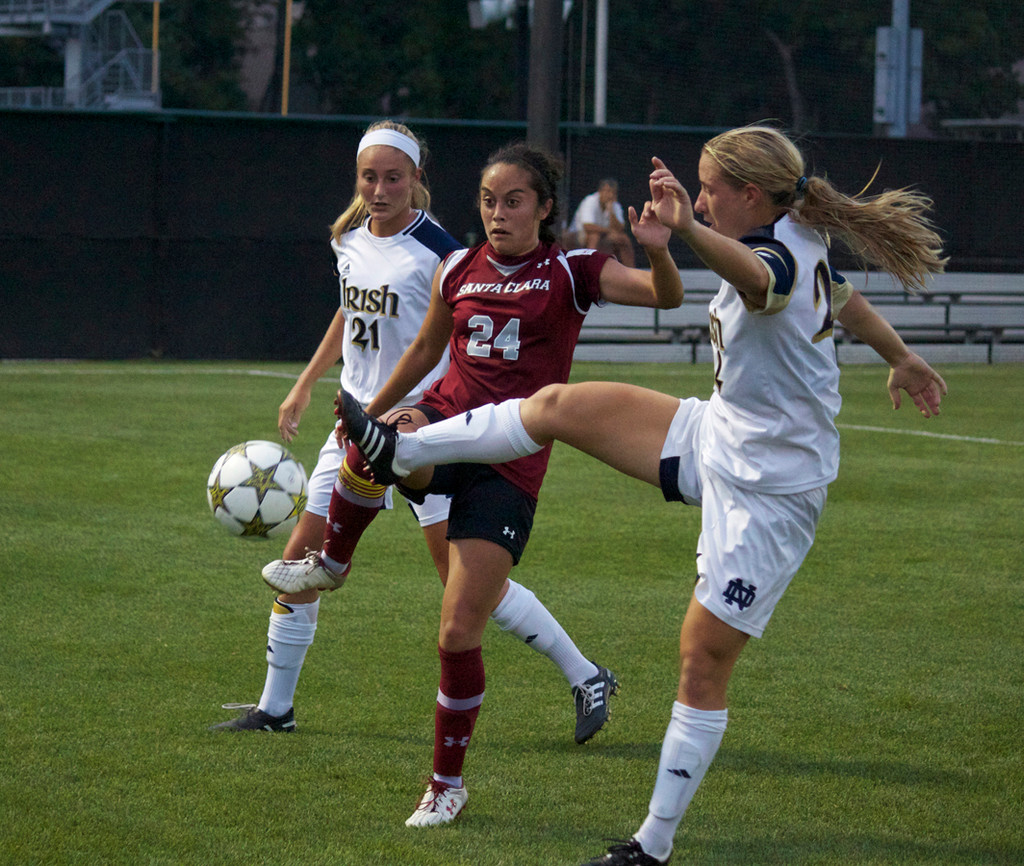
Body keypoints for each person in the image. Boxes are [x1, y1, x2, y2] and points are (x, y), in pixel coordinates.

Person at [336, 125, 949, 862]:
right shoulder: (794, 233)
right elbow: (844, 300)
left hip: (771, 494)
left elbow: (765, 282)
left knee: (700, 660)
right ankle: (399, 446)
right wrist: (903, 355)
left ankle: (650, 846)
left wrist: (684, 229)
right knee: (562, 404)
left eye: (710, 187)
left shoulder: (776, 253)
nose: (699, 197)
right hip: (720, 435)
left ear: (749, 195)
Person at [265, 140, 686, 827]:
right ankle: (332, 565)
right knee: (381, 444)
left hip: (510, 459)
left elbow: (664, 298)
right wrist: (370, 413)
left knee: (459, 630)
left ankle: (446, 785)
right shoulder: (458, 266)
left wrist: (661, 249)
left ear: (545, 208)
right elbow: (429, 350)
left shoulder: (573, 269)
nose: (498, 213)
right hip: (445, 422)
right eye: (489, 201)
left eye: (514, 201)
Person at [211, 121, 616, 749]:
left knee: (464, 587)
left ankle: (585, 673)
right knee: (298, 561)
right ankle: (276, 707)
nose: (378, 189)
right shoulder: (347, 237)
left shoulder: (441, 249)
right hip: (359, 422)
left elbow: (449, 333)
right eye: (368, 177)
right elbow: (351, 310)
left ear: (416, 180)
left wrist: (423, 415)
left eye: (391, 177)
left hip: (429, 428)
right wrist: (307, 383)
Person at [569, 178, 636, 266]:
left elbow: (620, 228)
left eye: (613, 192)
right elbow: (587, 226)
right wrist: (609, 230)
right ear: (600, 191)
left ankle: (631, 271)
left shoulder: (615, 205)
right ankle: (590, 267)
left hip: (603, 235)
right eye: (607, 191)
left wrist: (611, 212)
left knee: (623, 239)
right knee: (594, 236)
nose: (610, 195)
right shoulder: (590, 201)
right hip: (579, 234)